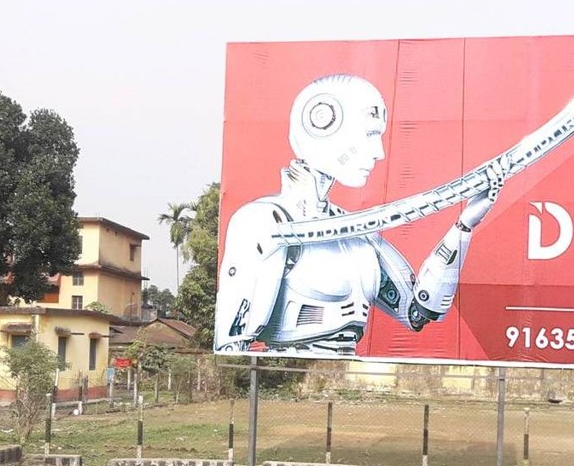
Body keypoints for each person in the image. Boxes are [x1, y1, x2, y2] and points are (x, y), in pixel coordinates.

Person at [212, 73, 503, 355]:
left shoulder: (358, 234)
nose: (379, 152)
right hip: (288, 377)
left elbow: (418, 313)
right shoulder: (267, 222)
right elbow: (232, 347)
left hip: (348, 376)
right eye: (368, 135)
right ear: (323, 125)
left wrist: (463, 226)